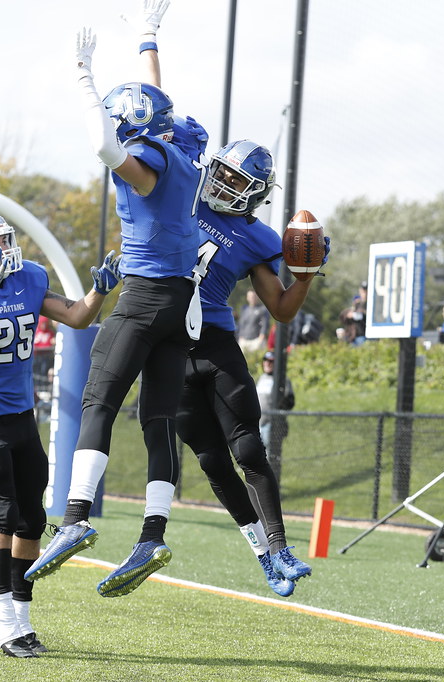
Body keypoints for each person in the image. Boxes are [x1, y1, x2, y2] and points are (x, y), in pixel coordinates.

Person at [132, 0, 323, 595]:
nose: (223, 185)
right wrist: (148, 39)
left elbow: (282, 309)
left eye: (239, 185)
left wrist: (307, 275)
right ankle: (260, 553)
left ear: (255, 196)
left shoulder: (259, 236)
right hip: (166, 340)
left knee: (246, 446)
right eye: (224, 174)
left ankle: (282, 550)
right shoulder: (182, 186)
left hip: (212, 339)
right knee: (211, 459)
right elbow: (150, 112)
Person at [24, 26, 205, 599]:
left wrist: (82, 73)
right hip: (183, 302)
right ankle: (153, 535)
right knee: (158, 419)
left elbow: (107, 145)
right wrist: (148, 41)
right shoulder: (179, 150)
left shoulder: (146, 162)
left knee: (97, 402)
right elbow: (155, 98)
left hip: (147, 298)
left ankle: (74, 518)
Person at [0, 207, 121, 657]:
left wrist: (99, 292)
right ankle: (1, 618)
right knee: (2, 516)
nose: (2, 250)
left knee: (32, 520)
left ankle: (18, 617)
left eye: (4, 240)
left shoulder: (29, 277)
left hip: (21, 416)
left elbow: (75, 317)